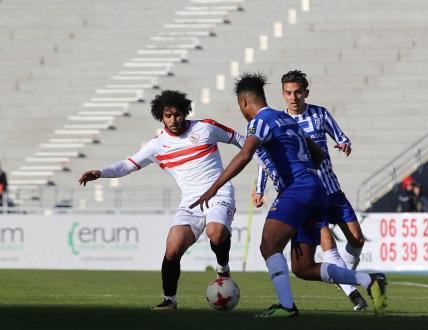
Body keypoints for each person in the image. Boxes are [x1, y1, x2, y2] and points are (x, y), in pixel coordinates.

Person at [190, 73, 387, 318]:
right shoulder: (286, 119)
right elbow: (318, 156)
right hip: (316, 189)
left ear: (243, 103)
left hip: (297, 191)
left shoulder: (260, 121)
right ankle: (369, 280)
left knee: (269, 246)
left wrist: (213, 187)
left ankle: (287, 306)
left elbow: (245, 155)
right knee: (303, 267)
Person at [78, 90, 245, 311]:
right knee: (173, 249)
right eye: (168, 116)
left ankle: (222, 269)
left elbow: (241, 140)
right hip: (190, 202)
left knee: (215, 232)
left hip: (219, 192)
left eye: (177, 115)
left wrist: (265, 165)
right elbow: (128, 165)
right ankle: (169, 300)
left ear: (185, 113)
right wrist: (101, 172)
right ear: (161, 117)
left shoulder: (205, 127)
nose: (173, 120)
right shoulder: (157, 145)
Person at [252, 70, 368, 311]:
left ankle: (342, 277)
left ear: (305, 93)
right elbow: (267, 159)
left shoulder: (319, 114)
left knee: (357, 239)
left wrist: (344, 144)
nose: (293, 98)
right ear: (282, 94)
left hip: (331, 188)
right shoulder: (278, 121)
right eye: (287, 93)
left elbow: (341, 136)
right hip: (308, 195)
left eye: (297, 92)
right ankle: (355, 295)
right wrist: (259, 188)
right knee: (328, 246)